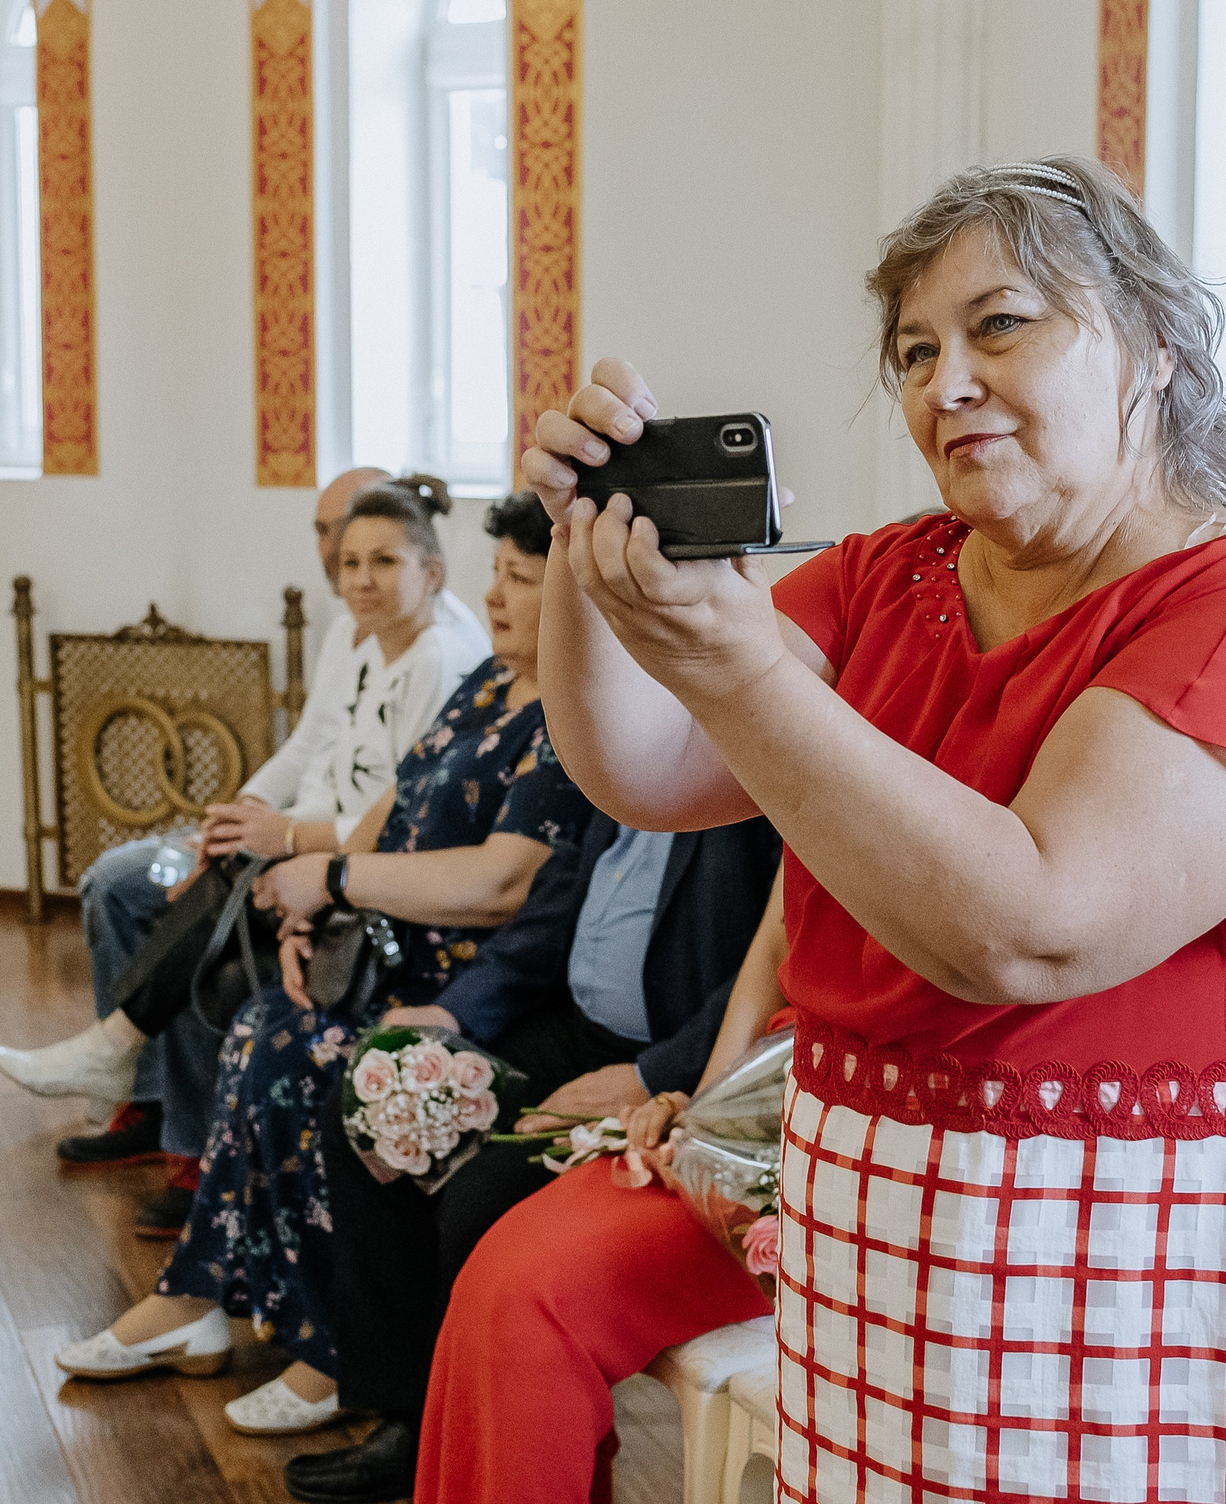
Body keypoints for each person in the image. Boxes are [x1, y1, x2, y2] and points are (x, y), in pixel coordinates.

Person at [516, 155, 1226, 1502]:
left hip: (1117, 1259)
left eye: (1001, 325)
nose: (945, 381)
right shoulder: (886, 577)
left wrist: (737, 665)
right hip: (872, 1212)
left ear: (1150, 346)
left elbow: (1032, 931)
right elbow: (646, 765)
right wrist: (589, 558)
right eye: (916, 349)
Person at [48, 495, 599, 1438]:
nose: (492, 593)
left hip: (470, 985)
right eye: (497, 570)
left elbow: (504, 883)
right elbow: (400, 791)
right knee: (265, 1024)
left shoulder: (571, 718)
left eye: (517, 575)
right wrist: (324, 899)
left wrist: (335, 872)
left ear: (574, 594)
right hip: (389, 945)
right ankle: (204, 1301)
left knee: (297, 1053)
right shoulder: (487, 686)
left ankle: (328, 1341)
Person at [0, 473, 487, 1233]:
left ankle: (163, 1116)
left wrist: (277, 837)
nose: (349, 571)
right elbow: (308, 750)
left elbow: (395, 814)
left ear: (429, 567)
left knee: (179, 908)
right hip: (289, 825)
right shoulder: (352, 632)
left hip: (325, 851)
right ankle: (144, 1100)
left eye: (377, 558)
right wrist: (233, 816)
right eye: (339, 549)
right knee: (118, 880)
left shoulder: (439, 657)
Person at [277, 824, 781, 1504]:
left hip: (668, 1056)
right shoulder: (618, 766)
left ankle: (468, 1439)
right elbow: (548, 916)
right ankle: (405, 1413)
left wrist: (650, 1075)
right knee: (375, 1099)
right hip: (572, 1030)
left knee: (481, 1196)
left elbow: (763, 967)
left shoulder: (736, 782)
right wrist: (454, 1012)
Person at [411, 889, 792, 1504]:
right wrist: (705, 1117)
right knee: (502, 1270)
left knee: (533, 1302)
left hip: (854, 1146)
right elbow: (774, 948)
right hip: (757, 1110)